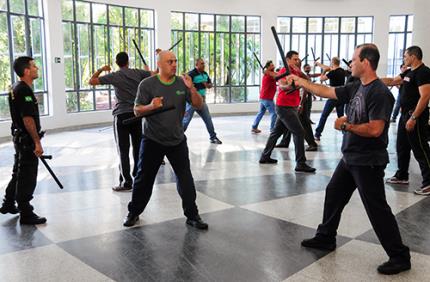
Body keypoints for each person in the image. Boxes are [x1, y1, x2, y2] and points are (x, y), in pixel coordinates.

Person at [288, 43, 411, 275]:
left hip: (368, 160)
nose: (350, 63)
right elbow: (327, 92)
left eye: (354, 60)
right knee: (334, 194)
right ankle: (326, 237)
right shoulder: (356, 87)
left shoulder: (380, 93)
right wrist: (302, 82)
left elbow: (375, 129)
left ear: (365, 62)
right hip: (351, 157)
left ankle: (399, 255)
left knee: (377, 209)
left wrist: (345, 124)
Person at [123, 51, 208, 230]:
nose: (175, 64)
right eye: (170, 61)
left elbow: (199, 104)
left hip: (177, 140)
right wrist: (151, 106)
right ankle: (134, 212)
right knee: (143, 179)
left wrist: (191, 87)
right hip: (152, 139)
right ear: (160, 64)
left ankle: (192, 215)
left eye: (176, 61)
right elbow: (137, 110)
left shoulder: (181, 83)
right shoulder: (147, 84)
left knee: (185, 179)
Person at [89, 52, 151, 192]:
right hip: (136, 114)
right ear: (128, 61)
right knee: (137, 148)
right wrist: (146, 69)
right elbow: (153, 75)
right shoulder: (137, 73)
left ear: (117, 63)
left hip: (121, 116)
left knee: (123, 150)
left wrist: (101, 70)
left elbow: (92, 81)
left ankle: (126, 182)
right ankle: (138, 176)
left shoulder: (115, 76)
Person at [0, 56, 47, 224]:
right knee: (27, 174)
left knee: (18, 171)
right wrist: (37, 142)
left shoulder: (15, 88)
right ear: (26, 71)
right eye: (34, 66)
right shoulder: (24, 90)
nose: (37, 69)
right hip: (26, 140)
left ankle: (7, 203)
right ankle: (26, 212)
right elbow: (28, 119)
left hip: (19, 137)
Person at [383, 46, 430, 196]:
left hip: (414, 116)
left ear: (413, 56)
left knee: (420, 149)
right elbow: (391, 81)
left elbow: (425, 97)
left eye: (405, 56)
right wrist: (371, 79)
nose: (404, 59)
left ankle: (429, 183)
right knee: (402, 147)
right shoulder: (409, 72)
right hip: (404, 116)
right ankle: (402, 175)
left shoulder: (424, 72)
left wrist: (414, 117)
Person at [259, 51, 316, 173]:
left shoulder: (295, 71)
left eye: (298, 59)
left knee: (276, 133)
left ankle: (265, 156)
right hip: (284, 107)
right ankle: (300, 163)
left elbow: (307, 79)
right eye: (295, 59)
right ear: (288, 59)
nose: (297, 61)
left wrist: (299, 73)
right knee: (299, 132)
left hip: (291, 106)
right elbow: (282, 85)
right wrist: (291, 86)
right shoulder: (284, 71)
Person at [182, 58, 222, 144]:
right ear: (196, 65)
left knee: (208, 119)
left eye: (204, 64)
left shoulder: (205, 74)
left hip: (202, 101)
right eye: (201, 64)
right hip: (192, 102)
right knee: (185, 121)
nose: (203, 65)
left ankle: (213, 137)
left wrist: (207, 84)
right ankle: (177, 137)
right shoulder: (191, 74)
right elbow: (186, 86)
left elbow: (210, 85)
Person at [313, 57, 346, 141]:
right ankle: (346, 134)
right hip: (341, 96)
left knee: (324, 115)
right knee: (341, 117)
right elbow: (328, 68)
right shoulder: (342, 71)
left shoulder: (332, 72)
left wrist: (323, 71)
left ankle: (317, 134)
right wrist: (318, 64)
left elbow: (321, 78)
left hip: (332, 95)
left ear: (332, 62)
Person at [251, 60, 278, 133]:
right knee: (274, 113)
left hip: (263, 97)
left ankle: (254, 127)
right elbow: (277, 75)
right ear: (268, 67)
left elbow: (276, 75)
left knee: (261, 112)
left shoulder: (268, 74)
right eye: (272, 65)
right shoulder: (269, 75)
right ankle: (272, 130)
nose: (274, 66)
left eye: (273, 65)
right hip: (267, 98)